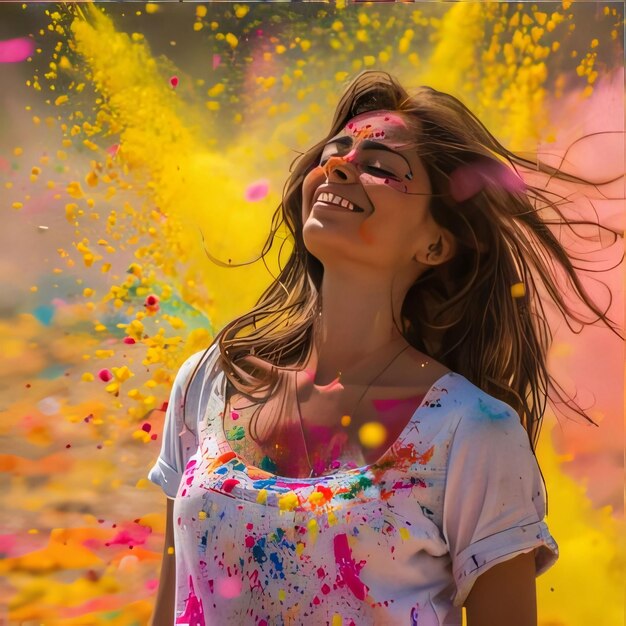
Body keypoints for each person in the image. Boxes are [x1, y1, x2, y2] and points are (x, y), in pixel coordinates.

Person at [147, 71, 621, 625]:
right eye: (335, 151)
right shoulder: (210, 383)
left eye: (381, 167)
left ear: (436, 244)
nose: (339, 165)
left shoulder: (470, 433)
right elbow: (172, 609)